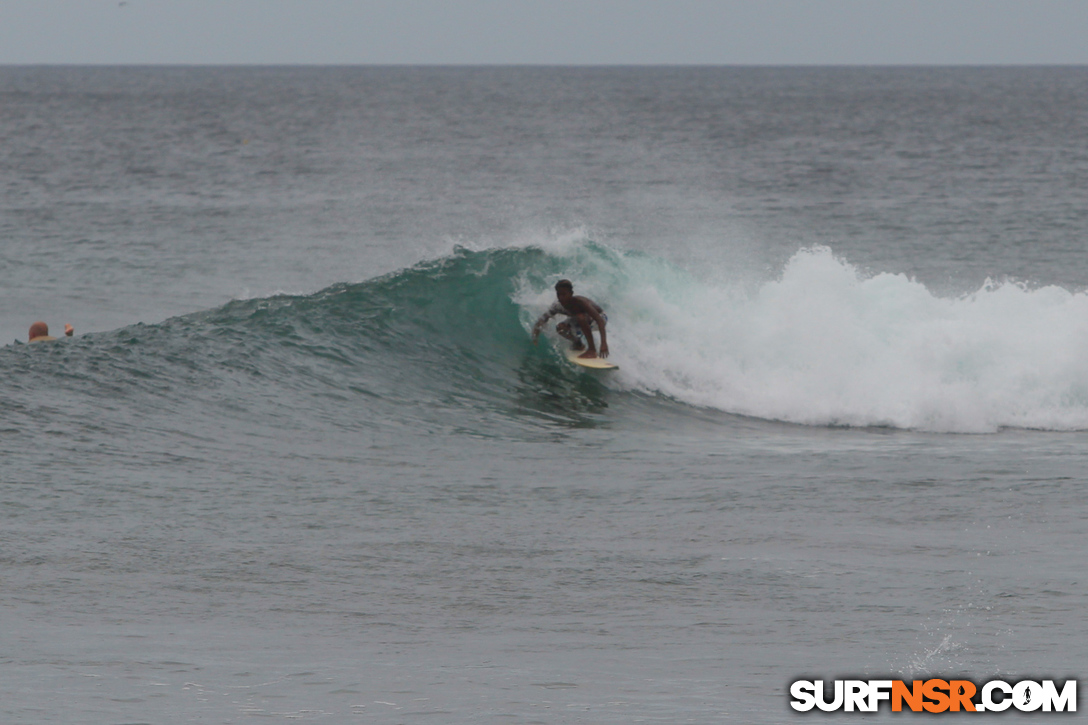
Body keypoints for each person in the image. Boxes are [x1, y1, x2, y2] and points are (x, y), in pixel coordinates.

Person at [531, 279, 609, 359]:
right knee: (560, 328)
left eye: (564, 294)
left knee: (580, 317)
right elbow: (543, 319)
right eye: (558, 294)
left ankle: (592, 350)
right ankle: (578, 344)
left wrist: (603, 343)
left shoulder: (580, 302)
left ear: (571, 294)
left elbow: (599, 320)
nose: (561, 298)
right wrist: (535, 337)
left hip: (600, 318)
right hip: (582, 320)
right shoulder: (557, 306)